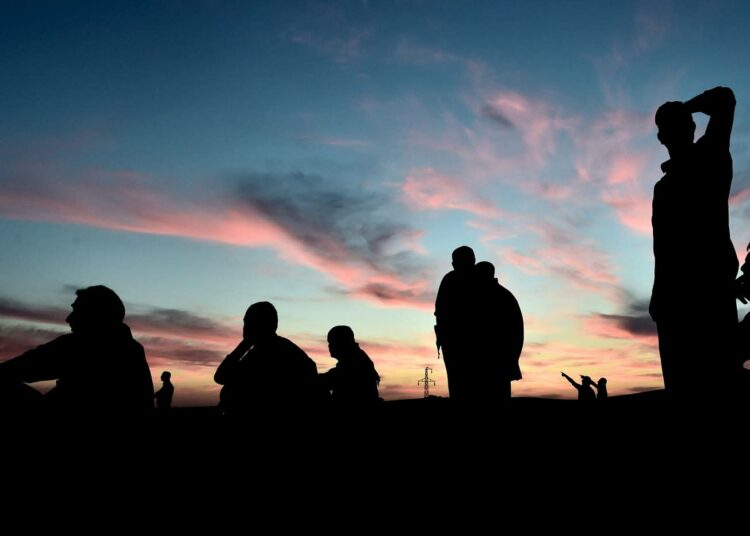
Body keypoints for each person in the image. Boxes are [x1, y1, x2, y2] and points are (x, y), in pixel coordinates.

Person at [650, 86, 741, 404]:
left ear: (690, 126)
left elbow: (724, 98)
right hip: (672, 304)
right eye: (668, 126)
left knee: (717, 387)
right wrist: (658, 296)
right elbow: (663, 250)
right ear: (661, 138)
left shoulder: (711, 157)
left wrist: (682, 109)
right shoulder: (662, 189)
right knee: (682, 392)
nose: (675, 129)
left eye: (680, 122)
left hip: (709, 296)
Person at [0, 285, 154, 415]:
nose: (69, 318)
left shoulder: (80, 344)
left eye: (78, 311)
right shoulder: (132, 348)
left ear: (96, 315)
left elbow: (19, 368)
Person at [214, 301, 319, 418]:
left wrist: (244, 345)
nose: (244, 328)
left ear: (262, 324)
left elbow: (221, 377)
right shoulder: (261, 349)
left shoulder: (276, 350)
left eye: (248, 323)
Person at [474, 261, 524, 406]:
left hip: (493, 364)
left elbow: (513, 333)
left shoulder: (493, 297)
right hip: (500, 363)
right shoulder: (504, 295)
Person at [434, 246, 477, 410]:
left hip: (472, 344)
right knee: (459, 386)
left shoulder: (478, 280)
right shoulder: (450, 280)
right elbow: (440, 312)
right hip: (453, 343)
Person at [319, 326, 381, 411]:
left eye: (332, 342)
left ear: (342, 342)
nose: (329, 346)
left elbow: (336, 377)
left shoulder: (355, 360)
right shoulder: (356, 357)